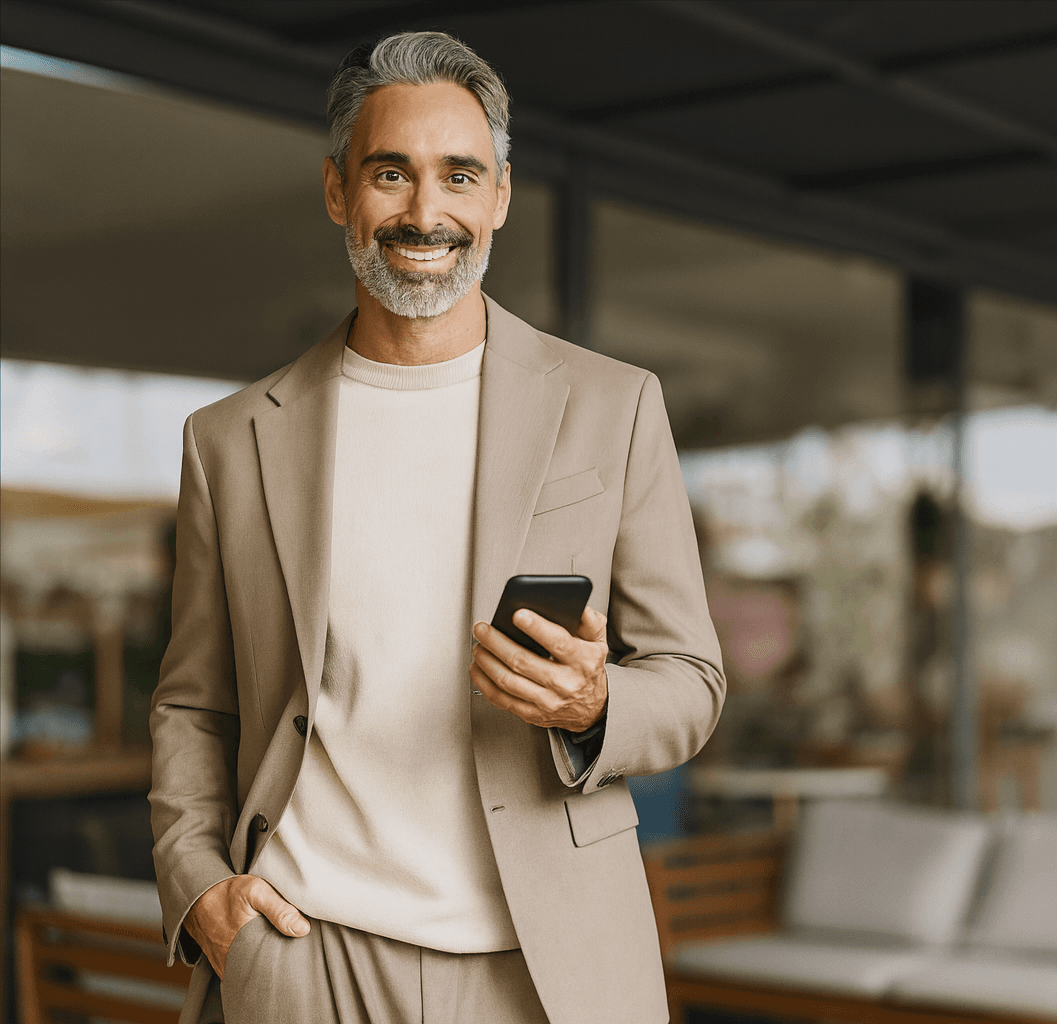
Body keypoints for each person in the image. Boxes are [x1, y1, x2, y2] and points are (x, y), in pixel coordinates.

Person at [148, 30, 724, 1024]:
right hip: (302, 958)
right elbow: (195, 706)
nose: (425, 211)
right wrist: (198, 886)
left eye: (460, 175)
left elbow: (692, 681)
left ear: (500, 194)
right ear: (338, 191)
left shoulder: (614, 406)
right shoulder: (229, 441)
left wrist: (594, 704)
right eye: (390, 173)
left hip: (544, 968)